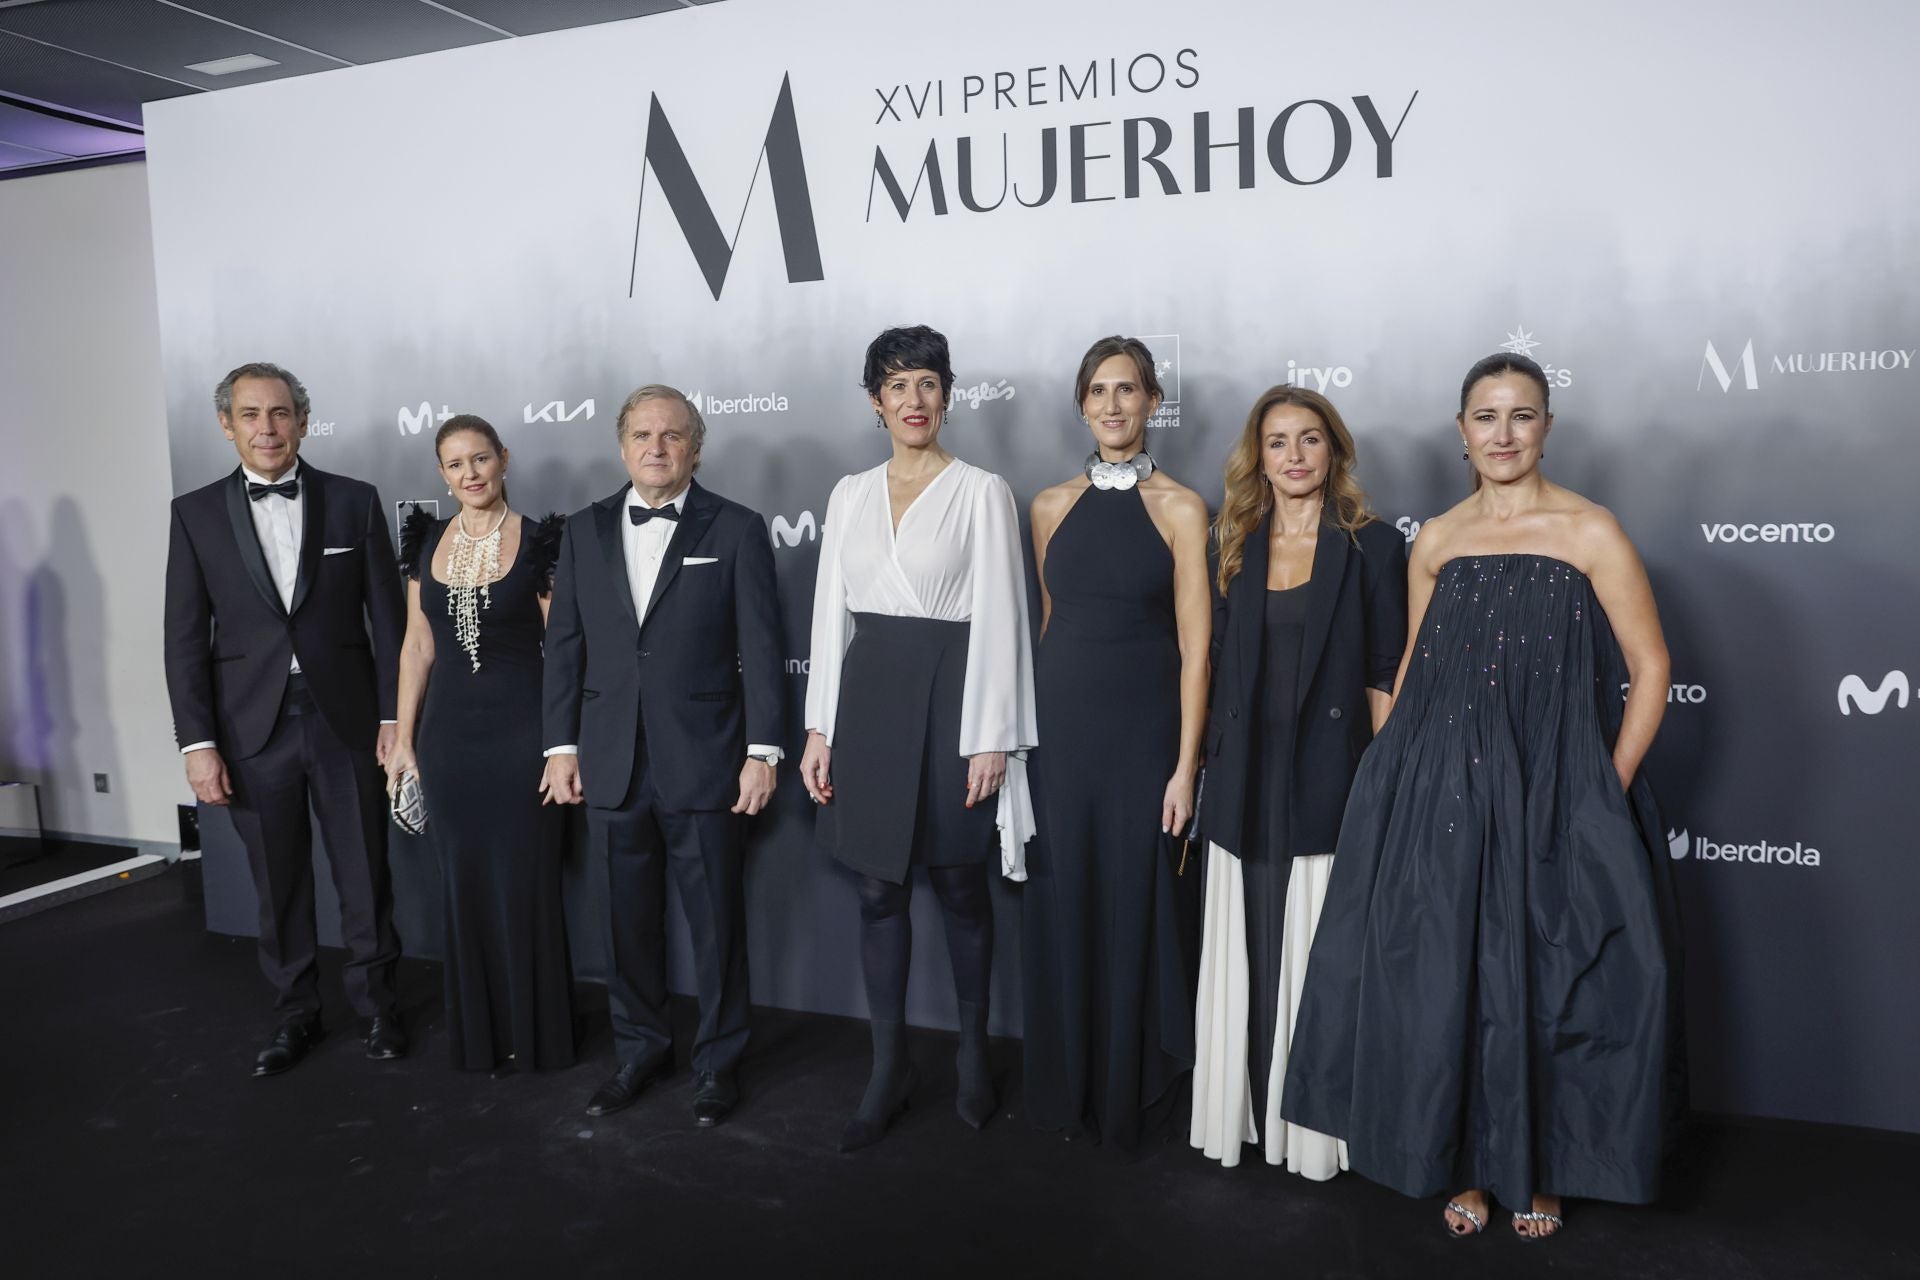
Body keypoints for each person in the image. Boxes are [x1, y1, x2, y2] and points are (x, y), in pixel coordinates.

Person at [1280, 353, 1684, 1240]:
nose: (1503, 434)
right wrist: (1395, 778)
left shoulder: (1591, 532)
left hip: (1555, 790)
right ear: (1460, 432)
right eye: (1486, 417)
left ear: (1546, 427)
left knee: (1548, 982)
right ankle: (1464, 1162)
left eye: (1522, 416)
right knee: (1450, 978)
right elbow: (1419, 672)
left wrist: (1598, 791)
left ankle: (1537, 1169)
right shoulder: (1439, 539)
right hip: (1442, 790)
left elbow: (1652, 670)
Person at [799, 325, 1038, 1153]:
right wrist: (819, 725)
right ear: (876, 400)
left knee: (962, 884)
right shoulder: (848, 494)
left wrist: (993, 737)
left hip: (954, 699)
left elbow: (1004, 618)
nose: (914, 400)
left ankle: (973, 1057)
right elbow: (831, 613)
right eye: (898, 386)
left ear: (947, 395)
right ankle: (888, 1066)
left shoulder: (982, 490)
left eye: (929, 384)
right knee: (876, 892)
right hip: (867, 699)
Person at [539, 385, 786, 1127]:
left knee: (716, 926)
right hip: (611, 760)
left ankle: (719, 1064)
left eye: (672, 435)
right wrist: (560, 746)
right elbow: (565, 648)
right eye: (643, 434)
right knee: (625, 925)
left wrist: (763, 749)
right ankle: (640, 1050)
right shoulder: (582, 531)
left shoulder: (737, 528)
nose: (657, 446)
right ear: (621, 447)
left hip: (707, 760)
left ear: (695, 447)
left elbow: (763, 650)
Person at [163, 361, 406, 1076]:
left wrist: (394, 719)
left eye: (279, 414)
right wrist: (197, 744)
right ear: (227, 424)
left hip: (346, 720)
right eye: (250, 415)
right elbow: (184, 638)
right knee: (280, 882)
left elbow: (389, 625)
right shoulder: (195, 513)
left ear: (302, 420)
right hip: (249, 730)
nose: (266, 428)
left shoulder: (353, 500)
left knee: (364, 873)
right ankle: (295, 1015)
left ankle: (380, 1010)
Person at [1188, 386, 1406, 1176]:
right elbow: (1211, 665)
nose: (1294, 456)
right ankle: (1243, 1114)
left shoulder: (1374, 547)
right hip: (1244, 771)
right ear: (1260, 457)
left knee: (1318, 947)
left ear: (1334, 449)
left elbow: (1386, 671)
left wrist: (1380, 781)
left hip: (1331, 773)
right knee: (1248, 941)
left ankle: (1315, 1133)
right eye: (1277, 442)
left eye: (1309, 439)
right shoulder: (1234, 541)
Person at [1021, 335, 1210, 1151]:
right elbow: (1049, 623)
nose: (1112, 405)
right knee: (1066, 901)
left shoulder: (1181, 506)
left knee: (1136, 897)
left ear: (1152, 401)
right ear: (1081, 404)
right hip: (1062, 734)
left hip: (1144, 737)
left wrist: (1184, 766)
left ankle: (1131, 1087)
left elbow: (1199, 646)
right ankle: (1068, 1087)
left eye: (1127, 389)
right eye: (1098, 390)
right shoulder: (1048, 505)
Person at [386, 416, 574, 1073]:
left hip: (523, 738)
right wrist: (404, 742)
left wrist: (562, 745)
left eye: (481, 459)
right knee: (462, 885)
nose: (470, 473)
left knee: (524, 885)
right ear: (442, 474)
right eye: (456, 463)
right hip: (448, 743)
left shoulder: (542, 540)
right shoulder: (425, 540)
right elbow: (417, 645)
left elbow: (563, 651)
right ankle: (481, 1034)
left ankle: (537, 1033)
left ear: (504, 459)